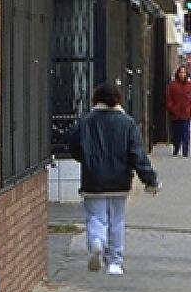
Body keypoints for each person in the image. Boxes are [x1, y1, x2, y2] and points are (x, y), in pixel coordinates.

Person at [66, 80, 160, 277]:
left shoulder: (86, 121)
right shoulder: (127, 123)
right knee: (117, 221)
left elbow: (73, 146)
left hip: (93, 179)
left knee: (95, 217)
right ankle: (115, 262)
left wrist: (87, 160)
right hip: (119, 180)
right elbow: (137, 154)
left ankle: (96, 242)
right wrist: (150, 179)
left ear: (96, 99)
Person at [166, 64, 191, 156]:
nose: (182, 74)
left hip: (186, 113)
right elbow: (169, 97)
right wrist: (171, 107)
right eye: (181, 72)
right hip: (175, 113)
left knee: (185, 132)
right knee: (176, 133)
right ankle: (176, 147)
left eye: (184, 72)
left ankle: (185, 150)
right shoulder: (172, 85)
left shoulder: (190, 85)